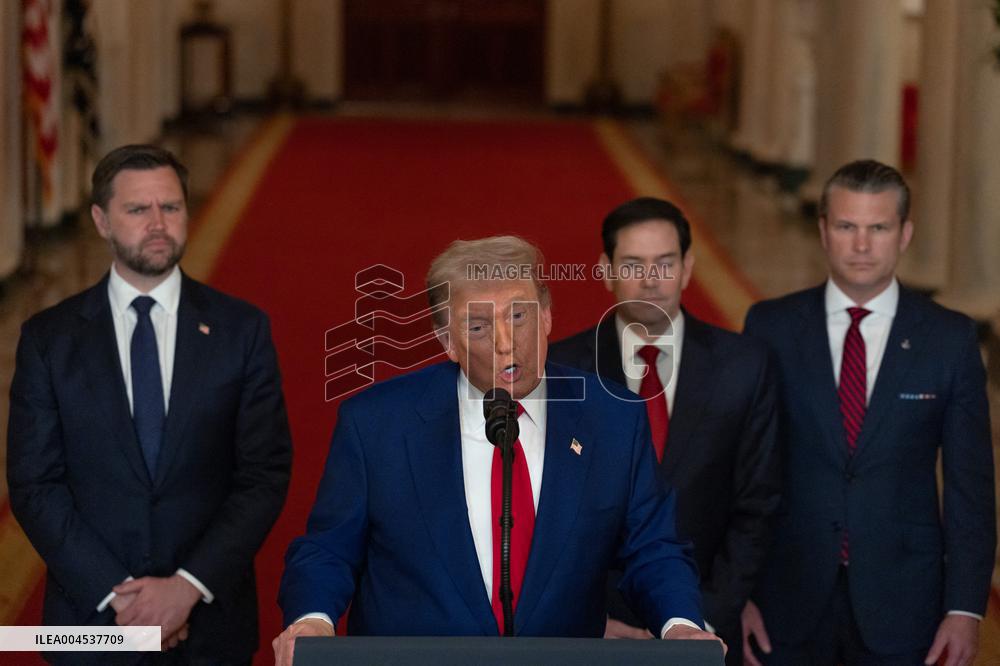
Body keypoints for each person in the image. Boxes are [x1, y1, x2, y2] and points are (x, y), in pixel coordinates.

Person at [273, 235, 724, 664]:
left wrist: (679, 624)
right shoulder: (377, 424)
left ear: (547, 316)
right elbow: (329, 550)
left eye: (520, 316)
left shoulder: (613, 418)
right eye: (479, 326)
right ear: (447, 342)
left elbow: (653, 548)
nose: (507, 343)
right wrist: (313, 620)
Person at [7, 145, 293, 665]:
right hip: (90, 628)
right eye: (138, 210)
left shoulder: (241, 331)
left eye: (172, 207)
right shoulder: (50, 340)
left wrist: (185, 589)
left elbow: (264, 474)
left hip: (209, 627)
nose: (158, 223)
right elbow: (34, 485)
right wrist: (121, 596)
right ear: (101, 220)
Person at [741, 159, 995, 666]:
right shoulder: (770, 328)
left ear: (904, 235)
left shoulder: (949, 340)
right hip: (784, 601)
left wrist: (965, 609)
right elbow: (743, 472)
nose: (861, 245)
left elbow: (971, 489)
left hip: (906, 606)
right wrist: (737, 595)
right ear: (823, 232)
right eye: (846, 227)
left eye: (878, 228)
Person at [548, 197, 780, 665]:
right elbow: (547, 514)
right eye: (633, 264)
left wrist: (700, 622)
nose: (650, 280)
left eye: (664, 263)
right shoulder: (561, 371)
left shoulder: (745, 367)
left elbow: (759, 505)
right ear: (605, 270)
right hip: (595, 632)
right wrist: (587, 622)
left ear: (688, 268)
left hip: (706, 628)